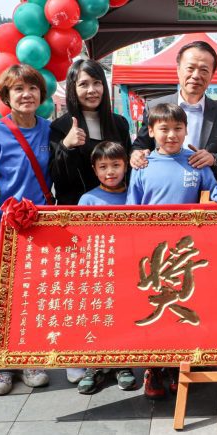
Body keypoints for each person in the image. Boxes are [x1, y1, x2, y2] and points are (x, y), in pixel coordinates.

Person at [126, 102, 217, 398]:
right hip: (152, 255)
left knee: (182, 310)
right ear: (151, 132)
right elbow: (130, 209)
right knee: (152, 310)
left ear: (187, 130)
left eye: (178, 128)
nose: (171, 135)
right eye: (163, 129)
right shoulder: (143, 165)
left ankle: (179, 366)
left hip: (185, 255)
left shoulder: (195, 162)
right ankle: (153, 368)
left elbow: (213, 194)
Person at [0, 64, 53, 396]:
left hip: (39, 224)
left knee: (33, 291)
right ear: (5, 96)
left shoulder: (50, 131)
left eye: (32, 88)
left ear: (41, 94)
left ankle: (31, 358)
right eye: (18, 89)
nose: (26, 94)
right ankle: (2, 366)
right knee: (2, 291)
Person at [66, 141, 138, 394]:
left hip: (128, 268)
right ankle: (94, 365)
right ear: (94, 170)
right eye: (103, 166)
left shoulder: (135, 196)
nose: (110, 172)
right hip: (98, 270)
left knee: (123, 316)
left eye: (116, 165)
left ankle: (122, 364)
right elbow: (80, 238)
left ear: (126, 166)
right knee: (97, 317)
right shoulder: (88, 199)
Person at [130, 40, 217, 182]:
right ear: (178, 70)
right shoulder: (154, 107)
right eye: (190, 68)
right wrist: (136, 154)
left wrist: (213, 159)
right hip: (163, 187)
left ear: (212, 75)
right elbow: (140, 145)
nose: (196, 75)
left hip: (207, 191)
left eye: (204, 70)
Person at [50, 59, 132, 206]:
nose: (92, 90)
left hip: (116, 208)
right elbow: (57, 178)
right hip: (77, 211)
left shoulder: (119, 124)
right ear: (73, 88)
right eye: (83, 84)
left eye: (97, 83)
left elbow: (130, 168)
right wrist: (66, 146)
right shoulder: (61, 127)